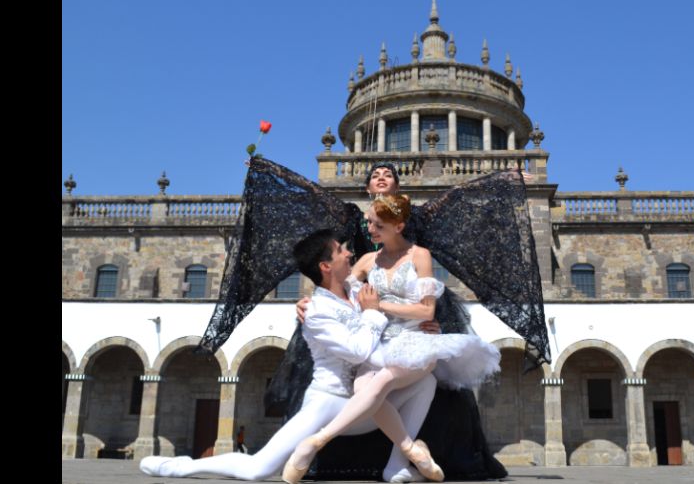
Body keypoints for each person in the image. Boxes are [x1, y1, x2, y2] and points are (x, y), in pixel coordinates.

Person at [197, 156, 552, 480]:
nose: (382, 177)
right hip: (360, 312)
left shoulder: (419, 229)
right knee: (354, 382)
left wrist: (506, 181)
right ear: (367, 188)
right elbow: (325, 252)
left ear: (398, 196)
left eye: (389, 175)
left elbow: (458, 201)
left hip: (411, 316)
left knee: (436, 393)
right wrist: (310, 300)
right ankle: (379, 455)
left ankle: (401, 456)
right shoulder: (351, 221)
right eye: (375, 175)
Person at [140, 230, 437, 481]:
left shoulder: (359, 289)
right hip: (329, 402)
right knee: (259, 469)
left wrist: (425, 325)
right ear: (325, 266)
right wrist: (373, 313)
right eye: (341, 251)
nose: (349, 254)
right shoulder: (317, 312)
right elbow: (358, 351)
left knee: (426, 381)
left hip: (367, 404)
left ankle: (397, 464)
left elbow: (399, 308)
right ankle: (181, 467)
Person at [282, 195, 501, 484]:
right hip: (380, 344)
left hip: (416, 341)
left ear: (398, 226)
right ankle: (407, 453)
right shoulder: (367, 261)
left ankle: (317, 441)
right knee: (362, 385)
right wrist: (308, 300)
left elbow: (426, 309)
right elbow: (333, 286)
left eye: (376, 224)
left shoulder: (419, 255)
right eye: (369, 222)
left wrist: (378, 306)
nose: (369, 228)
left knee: (382, 382)